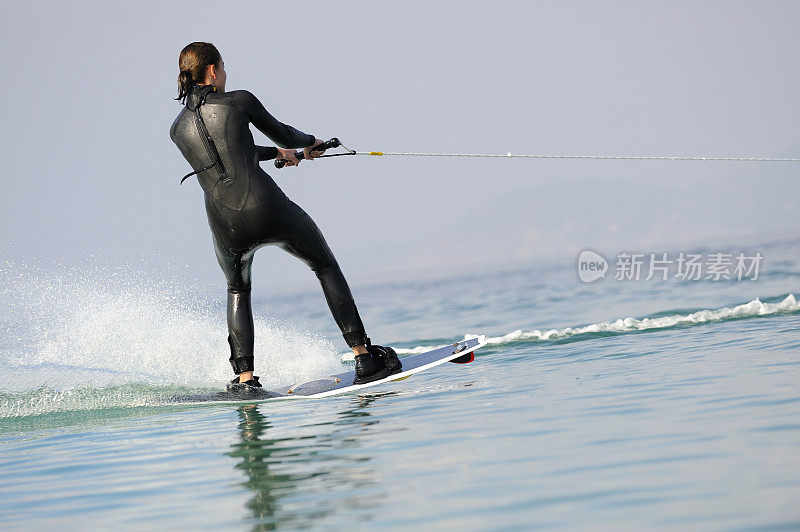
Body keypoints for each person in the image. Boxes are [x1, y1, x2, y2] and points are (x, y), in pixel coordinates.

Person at [169, 42, 399, 392]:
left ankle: (245, 380)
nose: (226, 74)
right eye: (224, 67)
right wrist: (310, 143)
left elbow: (224, 158)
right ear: (213, 71)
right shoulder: (239, 101)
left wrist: (277, 154)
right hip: (265, 206)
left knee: (237, 289)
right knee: (323, 265)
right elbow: (283, 132)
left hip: (224, 223)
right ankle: (363, 357)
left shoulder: (177, 129)